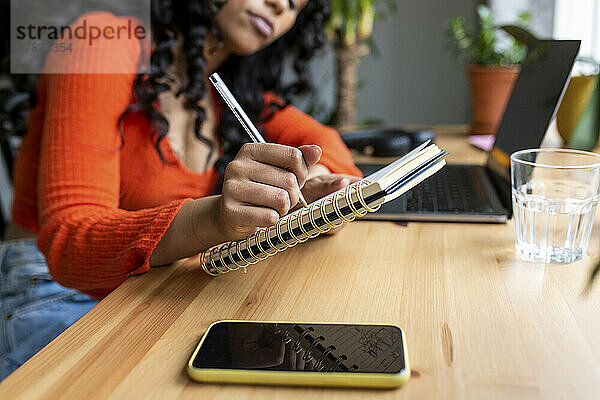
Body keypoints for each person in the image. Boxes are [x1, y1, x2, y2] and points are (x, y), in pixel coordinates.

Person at [0, 0, 362, 380]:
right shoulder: (104, 42)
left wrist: (318, 180)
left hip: (143, 291)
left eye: (297, 4)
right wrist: (218, 218)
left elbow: (325, 143)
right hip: (49, 294)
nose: (281, 5)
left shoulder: (221, 88)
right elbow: (70, 245)